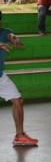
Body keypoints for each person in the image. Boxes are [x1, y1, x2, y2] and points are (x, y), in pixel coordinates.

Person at [0, 12, 38, 146]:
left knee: (18, 101)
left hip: (0, 77)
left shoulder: (5, 32)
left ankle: (19, 136)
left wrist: (15, 40)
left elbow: (11, 36)